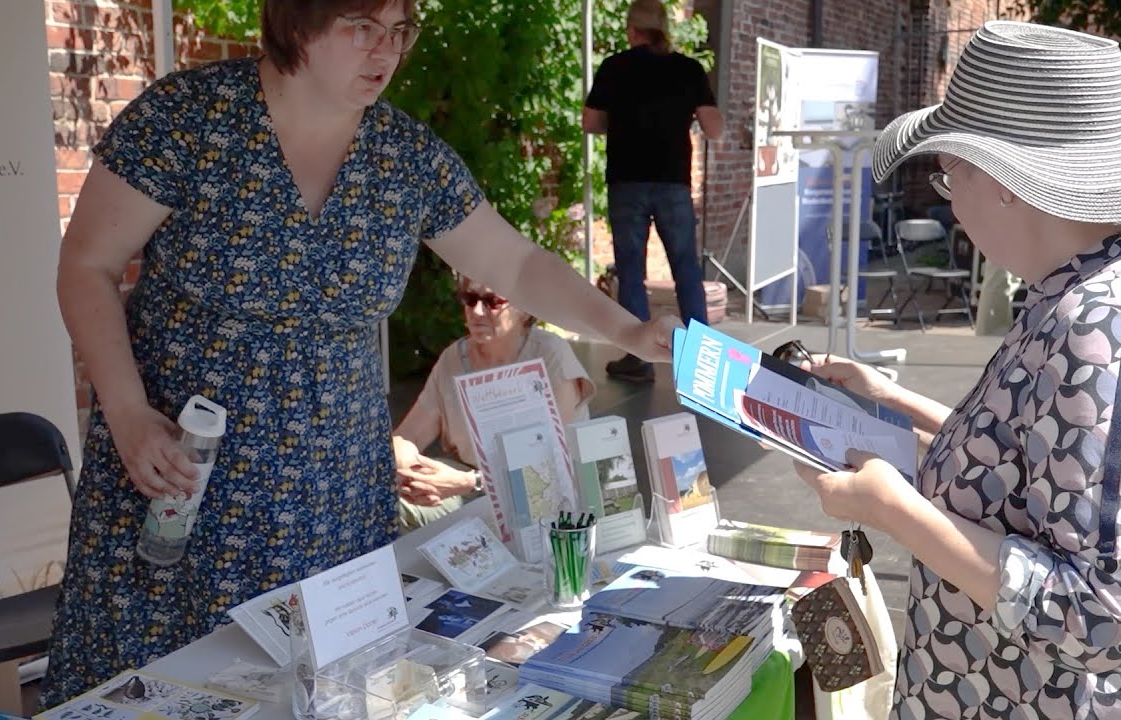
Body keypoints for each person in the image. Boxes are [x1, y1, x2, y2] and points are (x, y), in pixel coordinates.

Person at [42, 0, 676, 705]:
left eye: (399, 31)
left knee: (335, 694)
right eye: (362, 26)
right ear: (298, 20)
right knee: (162, 692)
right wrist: (128, 413)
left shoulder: (405, 158)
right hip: (180, 485)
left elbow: (518, 266)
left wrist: (627, 331)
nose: (386, 51)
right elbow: (86, 267)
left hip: (333, 500)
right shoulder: (187, 121)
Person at [794, 22, 1121, 718]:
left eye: (952, 173)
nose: (950, 200)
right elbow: (1044, 470)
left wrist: (890, 509)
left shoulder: (1105, 328)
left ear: (1008, 181)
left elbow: (1102, 616)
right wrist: (891, 397)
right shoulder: (1111, 283)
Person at [584, 0, 723, 382]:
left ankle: (637, 357)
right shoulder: (687, 69)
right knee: (686, 269)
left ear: (633, 29)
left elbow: (590, 121)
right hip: (673, 182)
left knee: (631, 272)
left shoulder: (615, 67)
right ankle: (704, 363)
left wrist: (625, 121)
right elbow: (715, 129)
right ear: (665, 28)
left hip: (626, 181)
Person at [394, 275, 596, 528]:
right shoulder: (453, 359)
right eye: (470, 299)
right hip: (466, 482)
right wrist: (405, 461)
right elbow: (409, 436)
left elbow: (551, 460)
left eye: (492, 301)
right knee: (387, 502)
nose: (477, 311)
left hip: (541, 492)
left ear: (524, 309)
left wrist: (469, 482)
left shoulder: (550, 355)